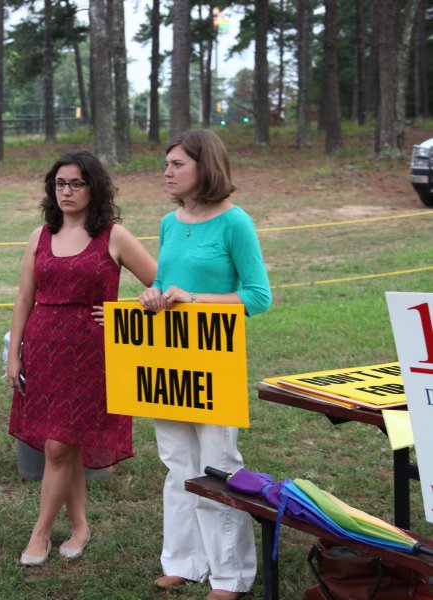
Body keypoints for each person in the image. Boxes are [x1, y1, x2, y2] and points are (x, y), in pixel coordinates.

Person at [5, 150, 157, 566]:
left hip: (91, 356)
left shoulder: (114, 236)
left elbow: (160, 286)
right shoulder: (40, 236)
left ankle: (40, 533)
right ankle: (80, 526)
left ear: (95, 187)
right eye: (59, 184)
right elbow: (24, 298)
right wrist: (15, 355)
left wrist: (123, 313)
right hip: (43, 350)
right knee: (63, 446)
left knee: (57, 446)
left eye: (76, 183)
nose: (66, 192)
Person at [139, 129, 271, 600]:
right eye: (166, 164)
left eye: (177, 164)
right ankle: (183, 561)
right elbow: (166, 280)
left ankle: (231, 576)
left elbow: (258, 296)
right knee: (177, 463)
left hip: (215, 361)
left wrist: (192, 300)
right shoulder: (169, 222)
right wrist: (153, 292)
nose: (167, 172)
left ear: (205, 168)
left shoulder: (236, 223)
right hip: (167, 360)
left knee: (218, 465)